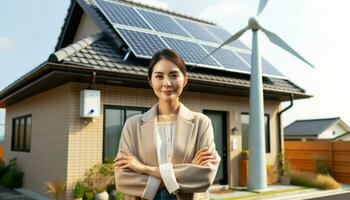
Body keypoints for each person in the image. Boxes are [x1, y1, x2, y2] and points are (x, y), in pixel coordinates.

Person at [114, 48, 221, 200]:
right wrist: (187, 171)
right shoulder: (132, 125)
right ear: (150, 81)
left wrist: (143, 168)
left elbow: (204, 176)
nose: (167, 83)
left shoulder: (201, 123)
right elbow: (123, 179)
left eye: (174, 75)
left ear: (185, 79)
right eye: (159, 76)